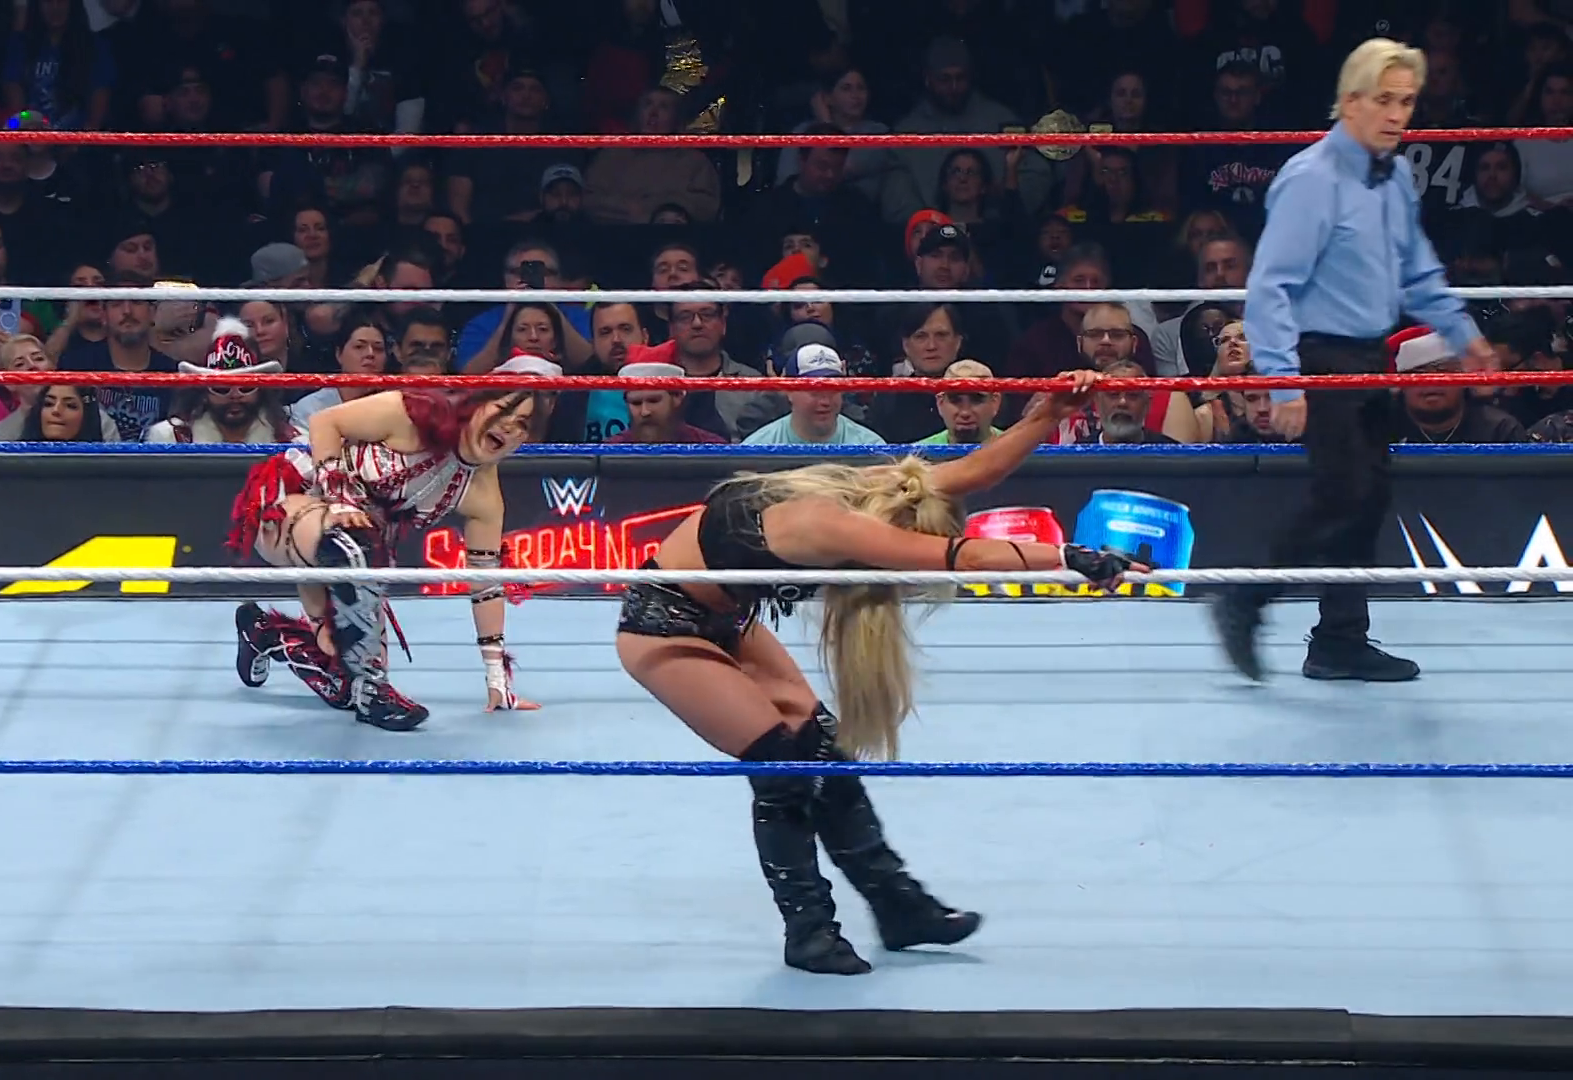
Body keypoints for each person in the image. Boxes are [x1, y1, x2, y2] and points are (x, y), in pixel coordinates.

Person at [614, 371, 1145, 975]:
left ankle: (900, 907)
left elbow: (973, 472)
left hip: (728, 617)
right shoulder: (834, 524)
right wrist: (1069, 556)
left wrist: (1047, 414)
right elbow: (963, 556)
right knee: (781, 766)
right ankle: (809, 931)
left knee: (821, 747)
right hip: (662, 625)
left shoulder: (880, 490)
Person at [1212, 39, 1498, 684]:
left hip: (1371, 354)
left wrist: (1462, 333)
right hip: (1320, 355)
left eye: (1407, 101)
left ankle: (1339, 640)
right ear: (1349, 102)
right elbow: (1270, 287)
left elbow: (1417, 269)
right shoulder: (1312, 179)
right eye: (1385, 100)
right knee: (1344, 493)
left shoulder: (1393, 176)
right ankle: (1245, 599)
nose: (1398, 115)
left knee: (1369, 498)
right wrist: (1284, 381)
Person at [228, 352, 560, 731]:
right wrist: (339, 499)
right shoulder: (415, 412)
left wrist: (496, 676)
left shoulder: (482, 494)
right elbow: (325, 422)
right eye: (502, 410)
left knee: (344, 678)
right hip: (291, 505)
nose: (509, 427)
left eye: (523, 425)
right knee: (353, 549)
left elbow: (485, 582)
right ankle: (374, 694)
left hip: (356, 555)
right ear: (478, 401)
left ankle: (264, 632)